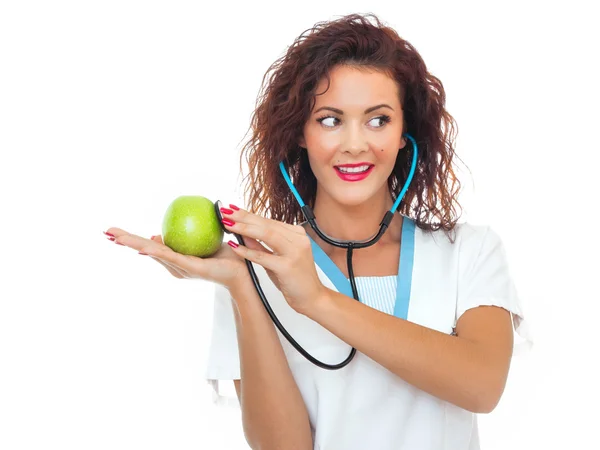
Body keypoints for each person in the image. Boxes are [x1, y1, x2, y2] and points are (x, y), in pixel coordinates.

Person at [105, 12, 532, 450]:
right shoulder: (255, 267)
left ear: (405, 133)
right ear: (301, 134)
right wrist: (242, 287)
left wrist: (316, 300)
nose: (354, 143)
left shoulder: (468, 252)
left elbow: (481, 386)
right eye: (330, 119)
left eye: (378, 119)